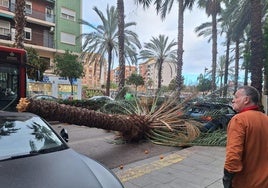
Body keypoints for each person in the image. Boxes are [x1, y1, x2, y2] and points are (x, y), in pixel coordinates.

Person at [223, 86, 268, 188]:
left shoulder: (239, 120)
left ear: (246, 100)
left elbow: (233, 154)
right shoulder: (266, 119)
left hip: (246, 183)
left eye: (236, 97)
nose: (233, 100)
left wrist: (227, 178)